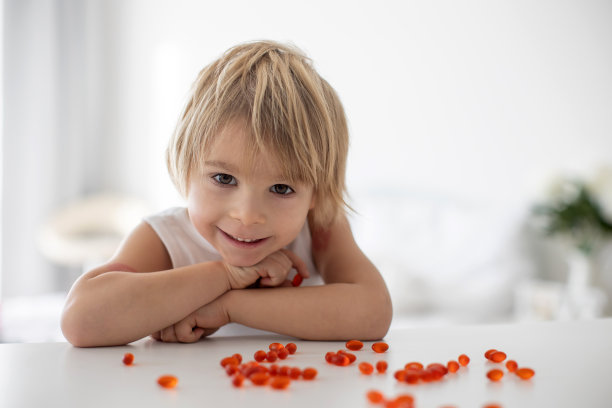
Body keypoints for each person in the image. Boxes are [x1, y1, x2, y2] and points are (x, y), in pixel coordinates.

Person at [61, 40, 392, 347]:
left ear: (316, 195)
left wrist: (230, 306)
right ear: (186, 167)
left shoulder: (320, 227)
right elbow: (81, 320)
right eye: (223, 178)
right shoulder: (165, 238)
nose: (247, 215)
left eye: (281, 188)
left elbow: (373, 312)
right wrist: (225, 275)